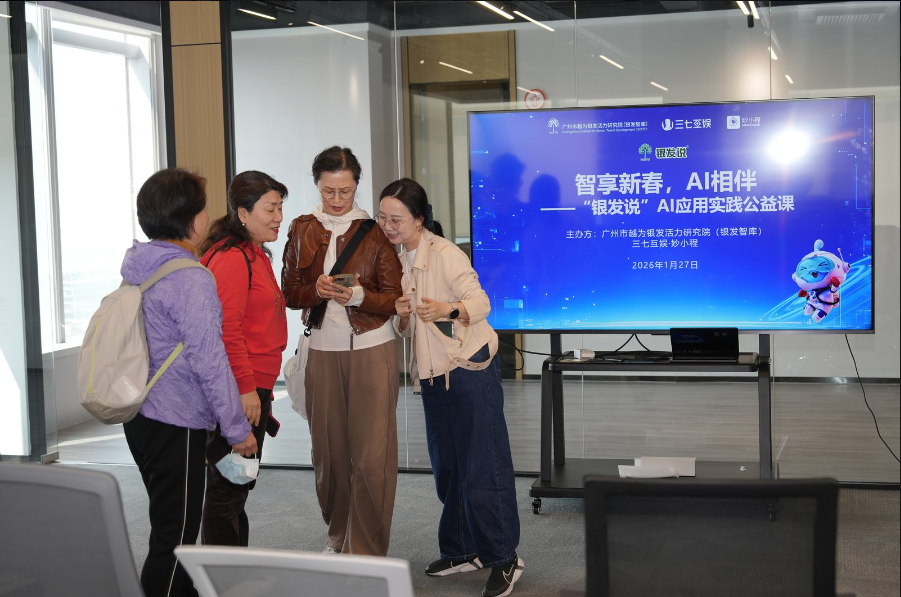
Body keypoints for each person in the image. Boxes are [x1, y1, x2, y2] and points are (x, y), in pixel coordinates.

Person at [378, 178, 524, 597]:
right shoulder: (396, 259)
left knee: (483, 465)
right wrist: (401, 314)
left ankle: (504, 557)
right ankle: (463, 549)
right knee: (449, 467)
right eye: (383, 218)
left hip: (469, 368)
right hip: (432, 375)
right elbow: (405, 329)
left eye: (396, 219)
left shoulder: (444, 253)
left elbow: (480, 303)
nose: (388, 226)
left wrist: (448, 309)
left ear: (419, 220)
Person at [122, 168, 257, 597]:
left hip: (139, 411)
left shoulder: (140, 265)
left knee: (169, 523)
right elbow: (209, 361)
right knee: (175, 538)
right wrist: (237, 429)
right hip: (174, 417)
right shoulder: (190, 277)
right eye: (202, 209)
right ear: (189, 218)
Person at [281, 146, 403, 556]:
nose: (337, 199)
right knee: (328, 456)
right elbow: (289, 293)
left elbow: (394, 298)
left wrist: (358, 296)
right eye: (329, 191)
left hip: (371, 348)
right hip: (321, 349)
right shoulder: (302, 228)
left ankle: (365, 550)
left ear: (356, 187)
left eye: (345, 191)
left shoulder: (375, 232)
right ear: (317, 186)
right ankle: (338, 538)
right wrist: (314, 290)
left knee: (372, 456)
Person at [197, 170, 289, 547]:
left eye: (280, 208)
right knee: (227, 490)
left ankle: (235, 568)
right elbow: (227, 331)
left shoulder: (255, 253)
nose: (278, 217)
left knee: (238, 485)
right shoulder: (233, 258)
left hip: (254, 386)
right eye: (270, 209)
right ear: (243, 213)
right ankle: (221, 573)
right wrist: (247, 391)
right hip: (239, 389)